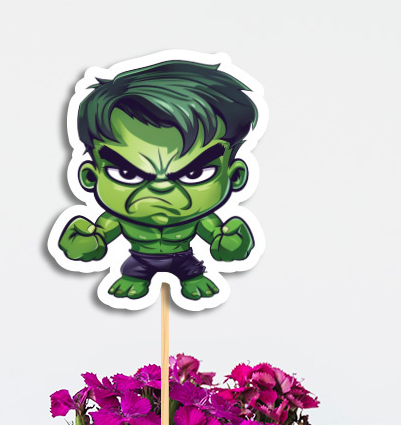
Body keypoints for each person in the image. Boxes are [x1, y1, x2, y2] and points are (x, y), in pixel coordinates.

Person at [58, 60, 259, 301]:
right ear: (90, 177)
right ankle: (135, 279)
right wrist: (86, 241)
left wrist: (229, 242)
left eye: (193, 174)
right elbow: (98, 238)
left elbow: (219, 239)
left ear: (235, 176)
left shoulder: (201, 220)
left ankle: (192, 279)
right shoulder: (116, 219)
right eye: (127, 174)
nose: (160, 191)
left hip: (184, 259)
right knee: (134, 271)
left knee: (191, 271)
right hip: (140, 260)